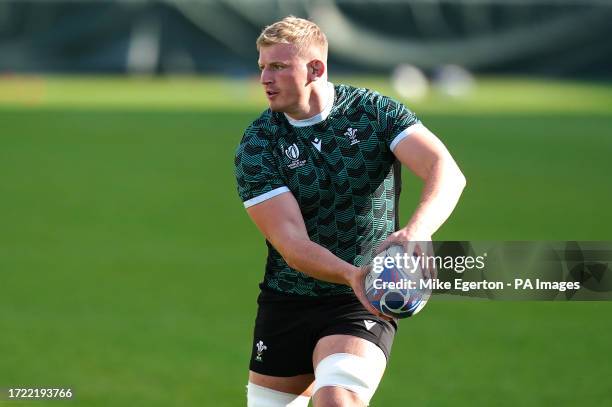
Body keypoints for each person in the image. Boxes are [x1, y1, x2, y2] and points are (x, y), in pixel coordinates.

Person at [234, 16, 466, 407]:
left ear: (315, 69)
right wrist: (351, 274)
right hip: (289, 297)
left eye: (277, 66)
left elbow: (445, 170)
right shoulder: (258, 145)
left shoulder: (374, 112)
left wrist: (417, 231)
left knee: (338, 400)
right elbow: (292, 243)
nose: (264, 79)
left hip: (361, 300)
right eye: (262, 67)